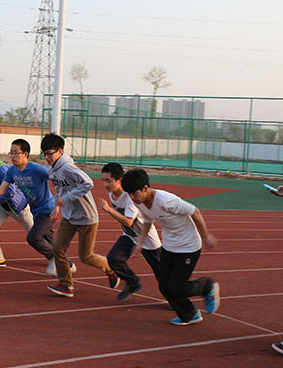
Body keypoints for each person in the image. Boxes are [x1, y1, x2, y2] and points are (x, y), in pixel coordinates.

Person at [121, 168, 220, 325]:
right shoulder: (138, 202)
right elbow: (147, 220)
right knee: (164, 286)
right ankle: (190, 314)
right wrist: (139, 244)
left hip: (188, 246)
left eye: (134, 193)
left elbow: (195, 211)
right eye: (129, 194)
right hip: (169, 245)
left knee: (176, 287)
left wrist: (206, 235)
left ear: (145, 188)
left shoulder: (166, 200)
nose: (132, 197)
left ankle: (206, 286)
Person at [40, 133, 119, 298]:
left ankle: (111, 270)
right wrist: (57, 205)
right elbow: (60, 190)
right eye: (44, 153)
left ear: (60, 151)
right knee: (57, 248)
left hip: (86, 217)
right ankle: (66, 285)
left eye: (50, 153)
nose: (47, 157)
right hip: (69, 217)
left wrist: (66, 199)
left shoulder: (68, 168)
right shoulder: (52, 170)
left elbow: (88, 183)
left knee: (86, 256)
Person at [0, 138, 75, 277]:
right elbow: (2, 189)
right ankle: (68, 264)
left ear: (25, 154)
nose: (13, 156)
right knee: (48, 241)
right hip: (35, 211)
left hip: (48, 209)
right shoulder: (11, 172)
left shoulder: (37, 169)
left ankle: (54, 259)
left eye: (16, 153)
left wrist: (60, 202)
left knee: (33, 238)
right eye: (11, 153)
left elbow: (57, 180)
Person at [98, 162, 162, 301]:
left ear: (119, 180)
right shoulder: (112, 194)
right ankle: (132, 282)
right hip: (130, 236)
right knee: (114, 258)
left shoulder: (130, 197)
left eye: (108, 180)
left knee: (163, 275)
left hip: (148, 241)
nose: (105, 184)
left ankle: (176, 299)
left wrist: (109, 210)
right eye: (103, 180)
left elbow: (128, 221)